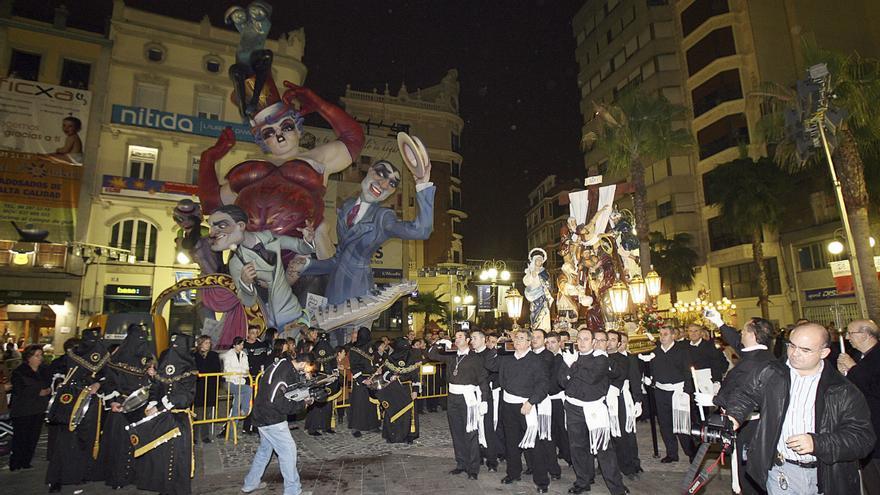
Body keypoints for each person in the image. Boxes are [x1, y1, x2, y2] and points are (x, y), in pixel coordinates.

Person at [299, 150, 435, 348]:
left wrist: (422, 184)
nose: (384, 184)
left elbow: (421, 230)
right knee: (328, 351)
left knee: (353, 352)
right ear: (369, 171)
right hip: (333, 293)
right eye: (381, 174)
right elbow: (338, 259)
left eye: (392, 183)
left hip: (359, 295)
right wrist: (308, 265)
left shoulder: (383, 217)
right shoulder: (346, 207)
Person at [724, 323, 875, 495]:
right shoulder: (773, 372)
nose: (795, 354)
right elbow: (746, 393)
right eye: (792, 346)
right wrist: (734, 416)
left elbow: (862, 439)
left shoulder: (842, 390)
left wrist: (817, 443)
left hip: (825, 475)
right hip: (781, 471)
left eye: (805, 350)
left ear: (823, 353)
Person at [699, 312, 776, 494]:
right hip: (749, 421)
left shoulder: (753, 365)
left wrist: (712, 399)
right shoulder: (760, 354)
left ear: (752, 335)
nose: (740, 333)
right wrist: (718, 321)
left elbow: (742, 392)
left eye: (744, 330)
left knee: (748, 473)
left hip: (750, 425)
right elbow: (737, 343)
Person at [207, 205, 315, 332]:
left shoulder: (271, 238)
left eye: (222, 226)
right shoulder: (236, 263)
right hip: (266, 324)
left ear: (241, 226)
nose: (213, 233)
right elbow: (247, 301)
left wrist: (308, 239)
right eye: (211, 227)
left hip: (291, 312)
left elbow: (301, 247)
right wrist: (245, 284)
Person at [560, 329, 629, 495]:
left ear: (593, 342)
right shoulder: (571, 357)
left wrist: (573, 367)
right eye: (579, 339)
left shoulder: (600, 358)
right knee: (577, 447)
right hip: (573, 408)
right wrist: (572, 370)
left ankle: (616, 487)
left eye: (586, 339)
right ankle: (583, 481)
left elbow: (592, 377)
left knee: (604, 448)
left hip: (594, 408)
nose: (582, 342)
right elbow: (562, 381)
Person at [485, 329, 551, 492]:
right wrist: (496, 346)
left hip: (526, 406)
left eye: (521, 339)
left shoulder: (536, 360)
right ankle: (513, 473)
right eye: (515, 339)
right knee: (511, 442)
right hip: (508, 405)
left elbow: (543, 384)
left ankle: (542, 481)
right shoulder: (507, 359)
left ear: (529, 342)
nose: (517, 341)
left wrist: (531, 402)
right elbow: (489, 364)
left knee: (533, 444)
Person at [241, 349, 313, 495]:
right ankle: (293, 491)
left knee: (264, 450)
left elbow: (286, 387)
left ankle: (250, 484)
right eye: (309, 367)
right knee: (288, 452)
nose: (309, 370)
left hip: (261, 414)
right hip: (272, 419)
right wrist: (302, 405)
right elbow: (277, 401)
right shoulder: (284, 373)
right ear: (304, 363)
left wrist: (305, 378)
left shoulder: (283, 363)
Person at [46, 328, 108, 491]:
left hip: (91, 403)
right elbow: (56, 373)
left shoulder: (104, 356)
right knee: (65, 440)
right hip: (70, 400)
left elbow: (108, 376)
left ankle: (80, 474)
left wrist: (99, 384)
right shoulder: (71, 356)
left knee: (86, 439)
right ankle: (57, 478)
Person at [134, 333, 197, 495]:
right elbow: (156, 386)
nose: (174, 350)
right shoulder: (164, 364)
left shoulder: (189, 368)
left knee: (177, 457)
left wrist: (161, 406)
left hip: (179, 419)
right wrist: (152, 403)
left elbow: (184, 396)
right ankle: (164, 487)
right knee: (161, 455)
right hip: (162, 419)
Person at [99, 324, 154, 489]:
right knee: (122, 445)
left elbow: (149, 384)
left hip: (141, 407)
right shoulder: (117, 359)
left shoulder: (145, 360)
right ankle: (119, 477)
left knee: (141, 442)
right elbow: (109, 383)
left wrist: (153, 376)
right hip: (122, 407)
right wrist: (113, 401)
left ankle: (140, 476)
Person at [428, 330, 488, 479]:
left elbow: (482, 380)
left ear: (467, 340)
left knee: (471, 433)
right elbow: (431, 355)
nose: (457, 338)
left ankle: (473, 468)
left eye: (460, 336)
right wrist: (438, 343)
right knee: (456, 432)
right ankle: (461, 464)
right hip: (453, 397)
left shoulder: (476, 358)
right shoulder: (451, 355)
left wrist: (484, 400)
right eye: (456, 336)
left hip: (468, 397)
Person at [638, 324, 695, 463]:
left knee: (681, 424)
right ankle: (672, 453)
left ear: (673, 335)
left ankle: (691, 452)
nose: (662, 337)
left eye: (665, 334)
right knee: (665, 424)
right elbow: (649, 368)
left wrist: (687, 392)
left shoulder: (682, 351)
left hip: (678, 391)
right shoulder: (655, 352)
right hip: (661, 392)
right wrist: (648, 378)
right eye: (661, 334)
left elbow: (688, 373)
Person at [836, 319, 880, 493]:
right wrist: (845, 373)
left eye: (851, 333)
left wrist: (853, 369)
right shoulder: (857, 356)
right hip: (864, 430)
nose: (847, 337)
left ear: (866, 334)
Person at [607, 331, 643, 481]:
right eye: (606, 339)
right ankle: (608, 465)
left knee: (624, 434)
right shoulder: (598, 358)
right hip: (601, 401)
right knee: (607, 435)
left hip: (620, 399)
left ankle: (629, 466)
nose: (609, 343)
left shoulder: (626, 359)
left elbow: (635, 379)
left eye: (613, 340)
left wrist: (638, 400)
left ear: (619, 343)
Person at [8, 344, 51, 471]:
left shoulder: (43, 370)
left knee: (33, 436)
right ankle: (16, 462)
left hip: (38, 408)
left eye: (40, 355)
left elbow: (48, 383)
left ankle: (26, 460)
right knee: (21, 437)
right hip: (23, 409)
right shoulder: (20, 372)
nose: (40, 358)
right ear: (29, 358)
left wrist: (48, 390)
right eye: (37, 356)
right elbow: (19, 390)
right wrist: (38, 392)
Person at [469, 329, 503, 471]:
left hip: (486, 394)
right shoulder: (470, 355)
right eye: (471, 338)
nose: (472, 341)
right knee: (474, 425)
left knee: (488, 427)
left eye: (474, 338)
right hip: (471, 394)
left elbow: (495, 373)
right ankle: (478, 455)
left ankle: (492, 460)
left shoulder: (491, 354)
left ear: (483, 340)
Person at [379, 337, 422, 444]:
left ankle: (409, 435)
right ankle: (392, 436)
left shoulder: (412, 358)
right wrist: (390, 377)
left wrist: (415, 390)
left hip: (408, 389)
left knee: (408, 413)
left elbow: (415, 376)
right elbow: (385, 372)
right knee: (393, 411)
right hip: (394, 388)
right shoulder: (390, 358)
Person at [347, 327, 381, 437]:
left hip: (372, 379)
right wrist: (362, 379)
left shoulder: (370, 347)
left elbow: (374, 362)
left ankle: (372, 425)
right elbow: (354, 367)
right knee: (359, 404)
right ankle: (356, 427)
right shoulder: (354, 350)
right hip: (361, 380)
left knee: (371, 404)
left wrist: (377, 369)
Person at [304, 332, 338, 436]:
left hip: (328, 379)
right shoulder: (313, 352)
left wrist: (334, 373)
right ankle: (313, 427)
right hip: (317, 379)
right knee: (316, 403)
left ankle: (326, 426)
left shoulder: (330, 351)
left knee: (328, 404)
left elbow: (333, 364)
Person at [193, 334, 222, 443]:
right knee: (196, 413)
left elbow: (217, 370)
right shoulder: (194, 356)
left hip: (210, 387)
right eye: (206, 343)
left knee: (207, 413)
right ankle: (194, 436)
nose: (208, 345)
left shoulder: (213, 355)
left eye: (209, 343)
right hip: (198, 387)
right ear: (200, 344)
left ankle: (205, 436)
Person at [221, 336, 252, 437]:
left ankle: (231, 431)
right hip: (230, 382)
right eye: (240, 344)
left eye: (242, 344)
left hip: (240, 382)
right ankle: (245, 410)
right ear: (234, 345)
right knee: (247, 389)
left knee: (237, 403)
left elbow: (246, 370)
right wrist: (240, 372)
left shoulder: (244, 355)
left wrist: (240, 373)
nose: (241, 346)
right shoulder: (228, 355)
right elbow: (228, 369)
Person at [523, 248, 552, 331]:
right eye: (538, 260)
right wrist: (532, 275)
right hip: (534, 296)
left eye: (541, 260)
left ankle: (545, 329)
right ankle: (535, 327)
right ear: (534, 261)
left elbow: (548, 282)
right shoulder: (530, 271)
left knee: (545, 311)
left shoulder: (544, 272)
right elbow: (526, 282)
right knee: (534, 312)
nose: (539, 262)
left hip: (543, 295)